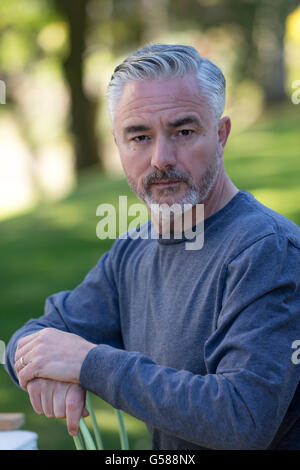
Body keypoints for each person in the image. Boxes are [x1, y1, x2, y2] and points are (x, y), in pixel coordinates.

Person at [5, 44, 300, 450]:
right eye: (139, 137)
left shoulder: (267, 250)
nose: (161, 158)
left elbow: (243, 419)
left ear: (221, 134)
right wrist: (45, 367)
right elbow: (37, 335)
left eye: (183, 131)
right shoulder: (135, 248)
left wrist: (88, 364)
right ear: (118, 145)